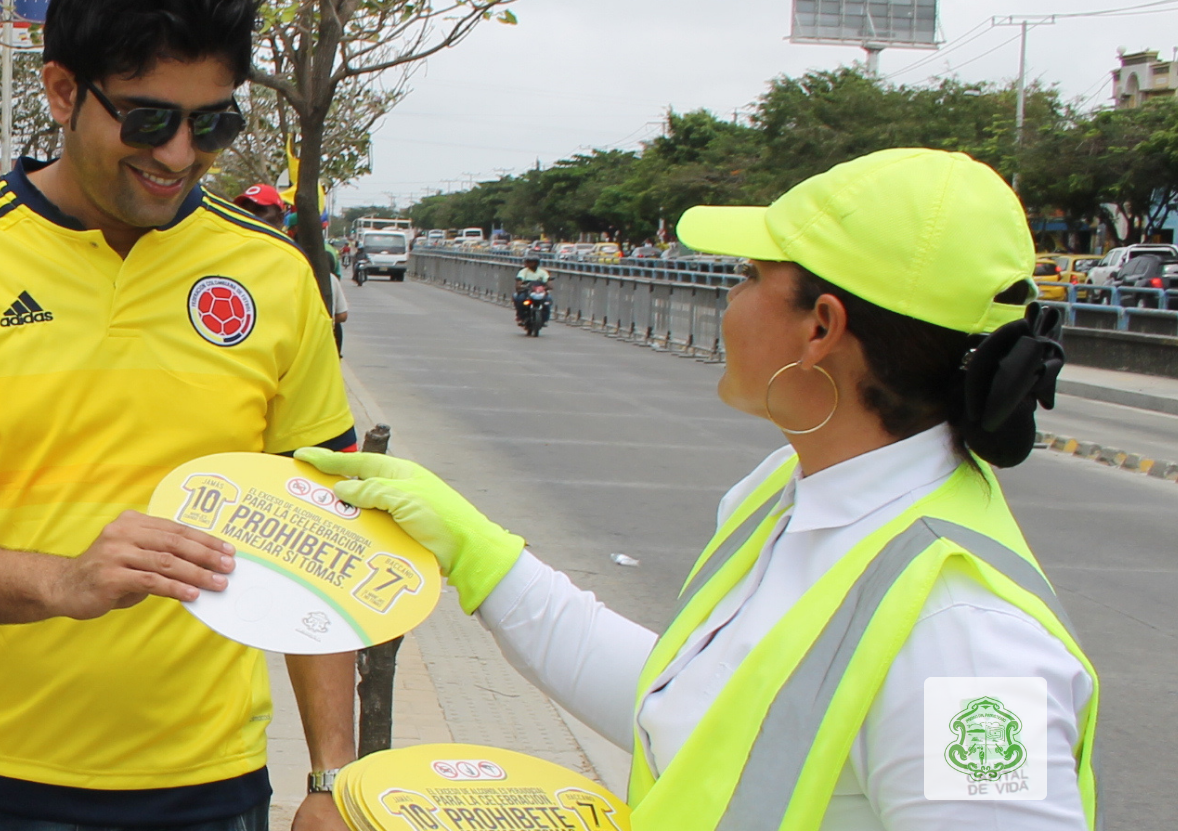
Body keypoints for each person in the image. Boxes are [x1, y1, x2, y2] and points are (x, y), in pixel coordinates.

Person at [301, 149, 1100, 831]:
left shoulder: (969, 641)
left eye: (752, 276)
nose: (729, 298)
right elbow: (688, 708)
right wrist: (475, 551)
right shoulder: (787, 494)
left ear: (820, 328)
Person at [0, 0, 357, 831]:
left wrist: (330, 780)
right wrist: (64, 583)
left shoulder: (273, 274)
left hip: (207, 786)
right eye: (149, 118)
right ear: (60, 90)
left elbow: (320, 542)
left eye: (214, 124)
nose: (178, 155)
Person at [514, 256, 551, 325]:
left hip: (539, 292)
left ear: (536, 263)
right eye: (527, 262)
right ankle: (520, 317)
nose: (527, 264)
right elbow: (519, 280)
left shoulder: (543, 272)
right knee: (520, 299)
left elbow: (548, 281)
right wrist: (519, 286)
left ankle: (545, 319)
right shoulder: (523, 271)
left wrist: (548, 286)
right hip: (527, 292)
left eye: (530, 262)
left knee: (548, 301)